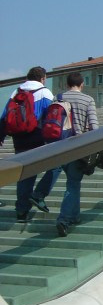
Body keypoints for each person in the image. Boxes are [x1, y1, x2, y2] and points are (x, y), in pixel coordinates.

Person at [0, 66, 61, 223]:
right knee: (56, 164)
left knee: (25, 175)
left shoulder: (16, 92)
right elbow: (50, 118)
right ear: (42, 78)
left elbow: (5, 115)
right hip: (37, 136)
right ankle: (38, 194)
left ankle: (21, 211)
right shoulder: (45, 92)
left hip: (18, 138)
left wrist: (1, 136)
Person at [55, 72, 99, 237]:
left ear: (67, 84)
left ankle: (74, 215)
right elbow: (94, 126)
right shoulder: (87, 100)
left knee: (73, 183)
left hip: (57, 148)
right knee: (73, 184)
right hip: (77, 147)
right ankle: (63, 219)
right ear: (82, 84)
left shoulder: (57, 98)